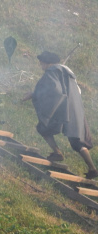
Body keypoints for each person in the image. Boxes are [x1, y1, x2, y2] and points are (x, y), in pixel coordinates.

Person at [29, 51, 96, 180]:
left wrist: (33, 94)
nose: (40, 64)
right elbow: (78, 92)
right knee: (77, 140)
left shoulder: (52, 72)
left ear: (48, 62)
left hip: (62, 108)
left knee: (43, 127)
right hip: (76, 110)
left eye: (42, 62)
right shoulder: (69, 74)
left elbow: (54, 91)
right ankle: (92, 168)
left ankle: (57, 152)